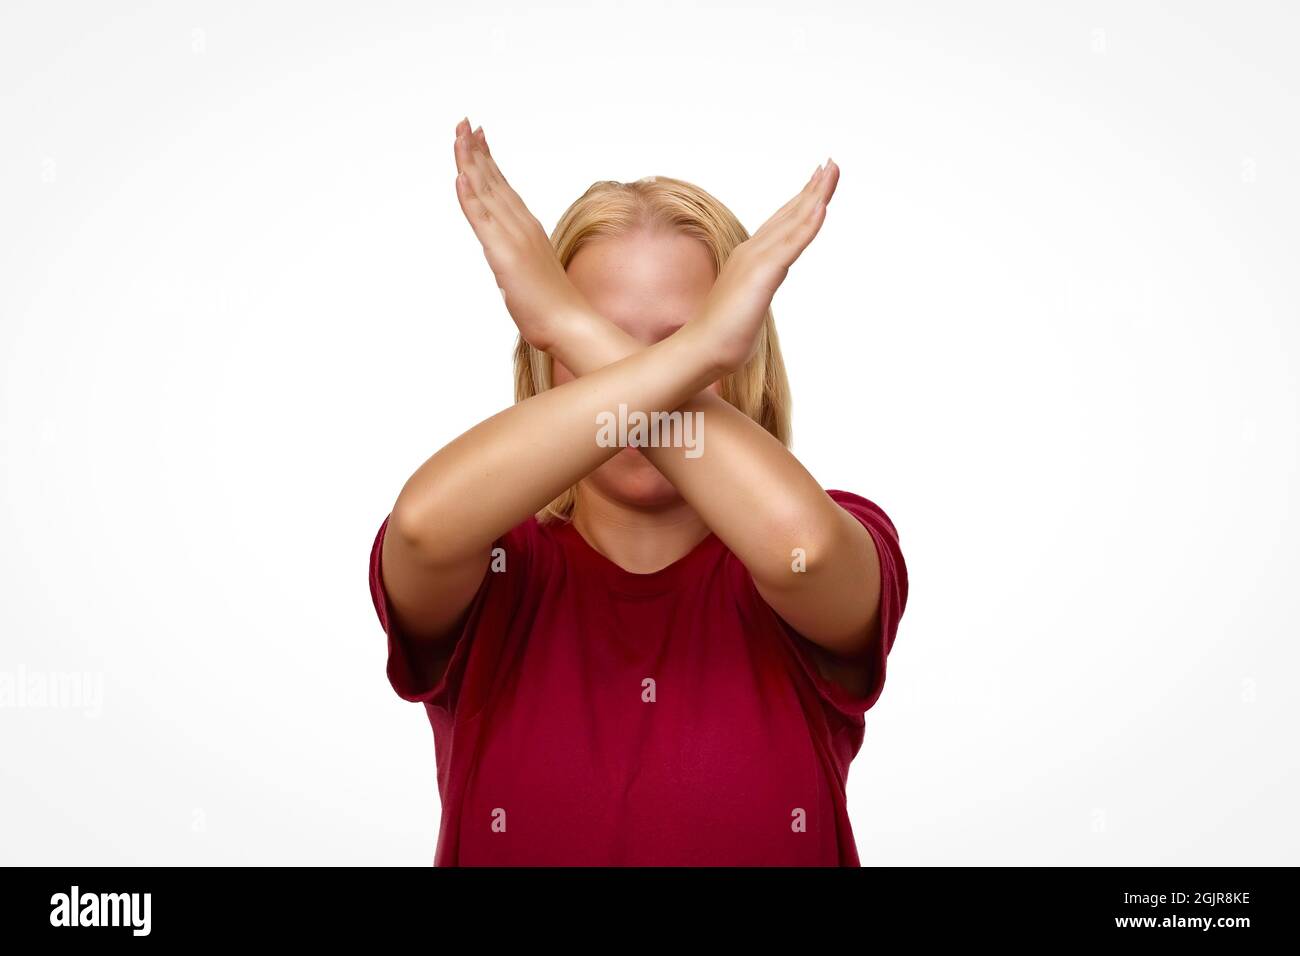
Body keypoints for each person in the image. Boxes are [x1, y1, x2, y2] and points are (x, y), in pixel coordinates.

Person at [367, 117, 909, 865]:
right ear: (544, 367)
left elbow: (803, 553)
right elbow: (421, 529)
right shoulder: (492, 560)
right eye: (600, 345)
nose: (644, 392)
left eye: (682, 349)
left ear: (744, 360)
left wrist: (567, 323)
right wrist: (690, 352)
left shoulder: (839, 528)